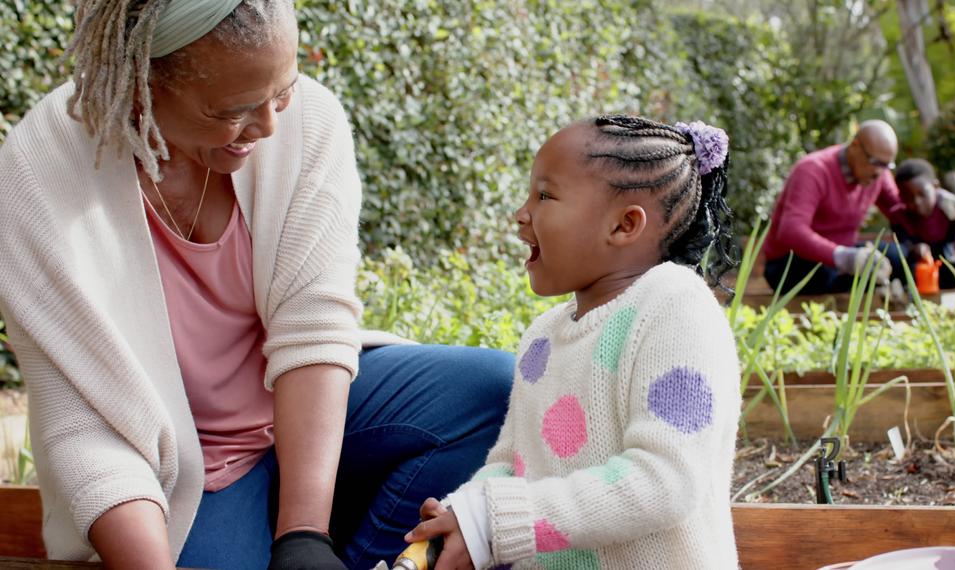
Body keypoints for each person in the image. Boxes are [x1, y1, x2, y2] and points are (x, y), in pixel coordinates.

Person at [0, 2, 513, 569]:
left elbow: (313, 326)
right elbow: (83, 428)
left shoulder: (308, 121)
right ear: (145, 83)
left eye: (282, 93)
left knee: (490, 390)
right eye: (234, 110)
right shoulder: (36, 172)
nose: (270, 125)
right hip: (177, 474)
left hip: (306, 415)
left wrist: (304, 538)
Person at [404, 116, 743, 569]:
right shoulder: (543, 337)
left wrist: (497, 519)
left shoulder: (676, 308)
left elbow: (665, 480)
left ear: (624, 225)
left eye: (544, 196)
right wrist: (464, 513)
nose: (521, 214)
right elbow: (510, 465)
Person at [761, 120, 906, 294]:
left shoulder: (878, 173)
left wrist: (937, 200)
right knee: (823, 273)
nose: (879, 173)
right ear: (855, 146)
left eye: (887, 166)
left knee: (898, 257)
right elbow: (791, 230)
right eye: (875, 162)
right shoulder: (813, 169)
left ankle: (868, 287)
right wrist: (843, 257)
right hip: (792, 263)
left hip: (842, 256)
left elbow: (901, 211)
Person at [891, 159, 955, 289]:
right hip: (920, 269)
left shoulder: (953, 207)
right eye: (908, 197)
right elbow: (904, 245)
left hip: (949, 262)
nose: (917, 202)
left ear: (935, 186)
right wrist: (916, 248)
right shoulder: (899, 216)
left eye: (922, 194)